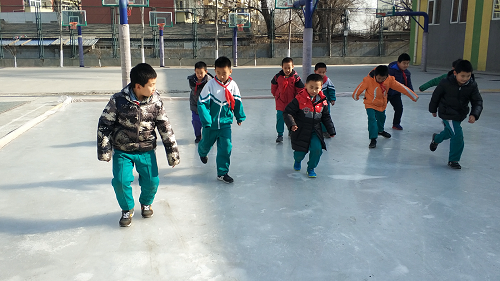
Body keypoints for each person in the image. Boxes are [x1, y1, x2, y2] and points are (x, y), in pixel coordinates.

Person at [97, 63, 180, 227]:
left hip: (146, 150)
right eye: (151, 85)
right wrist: (105, 151)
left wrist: (173, 154)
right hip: (123, 150)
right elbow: (105, 124)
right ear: (138, 86)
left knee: (152, 181)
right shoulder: (118, 101)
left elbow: (165, 128)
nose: (154, 88)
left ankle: (146, 202)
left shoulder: (156, 102)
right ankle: (127, 208)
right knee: (120, 181)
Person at [197, 56, 246, 183]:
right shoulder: (210, 85)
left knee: (226, 147)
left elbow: (237, 102)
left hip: (225, 124)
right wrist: (207, 120)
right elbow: (202, 103)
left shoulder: (233, 85)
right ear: (214, 71)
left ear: (230, 71)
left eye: (224, 73)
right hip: (211, 125)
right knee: (205, 144)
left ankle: (222, 173)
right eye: (218, 73)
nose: (221, 76)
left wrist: (239, 116)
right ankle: (202, 152)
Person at [428, 60, 483, 169]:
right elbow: (436, 96)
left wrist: (474, 114)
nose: (465, 78)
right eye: (462, 76)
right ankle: (453, 160)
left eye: (468, 76)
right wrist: (433, 109)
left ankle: (437, 139)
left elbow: (477, 101)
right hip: (447, 113)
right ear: (455, 73)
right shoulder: (445, 82)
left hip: (460, 114)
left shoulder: (472, 85)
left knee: (449, 132)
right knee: (457, 135)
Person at [352, 65, 419, 148]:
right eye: (379, 78)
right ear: (375, 75)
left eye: (383, 79)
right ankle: (373, 139)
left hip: (381, 104)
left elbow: (401, 87)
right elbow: (359, 88)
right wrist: (355, 96)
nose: (380, 80)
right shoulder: (368, 80)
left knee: (382, 118)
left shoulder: (389, 80)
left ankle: (380, 131)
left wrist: (413, 96)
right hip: (370, 104)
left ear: (386, 76)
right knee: (372, 119)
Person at [283, 74, 336, 178]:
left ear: (321, 87)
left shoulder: (322, 101)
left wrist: (331, 130)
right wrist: (292, 124)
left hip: (315, 130)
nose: (314, 90)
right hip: (300, 130)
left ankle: (311, 168)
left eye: (317, 88)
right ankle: (297, 160)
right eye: (311, 87)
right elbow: (287, 112)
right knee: (300, 153)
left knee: (317, 149)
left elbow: (326, 117)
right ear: (306, 85)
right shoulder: (299, 99)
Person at [271, 57, 305, 143]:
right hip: (280, 102)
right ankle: (280, 134)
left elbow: (301, 89)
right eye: (285, 68)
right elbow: (273, 86)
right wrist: (276, 95)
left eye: (289, 67)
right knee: (280, 117)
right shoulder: (277, 77)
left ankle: (291, 131)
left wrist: (298, 99)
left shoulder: (296, 78)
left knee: (291, 118)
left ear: (293, 66)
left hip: (291, 103)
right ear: (282, 67)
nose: (287, 70)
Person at [187, 61, 213, 143]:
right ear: (195, 71)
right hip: (195, 105)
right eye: (197, 72)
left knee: (207, 122)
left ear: (206, 72)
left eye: (201, 73)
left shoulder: (210, 82)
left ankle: (208, 137)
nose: (199, 75)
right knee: (196, 121)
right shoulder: (192, 80)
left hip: (207, 106)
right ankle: (198, 136)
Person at [387, 53, 414, 130]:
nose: (406, 65)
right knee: (381, 109)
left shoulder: (407, 73)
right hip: (385, 93)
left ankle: (396, 124)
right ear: (398, 63)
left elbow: (408, 84)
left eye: (407, 63)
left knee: (399, 108)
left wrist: (412, 95)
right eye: (404, 63)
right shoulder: (390, 70)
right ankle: (377, 124)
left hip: (396, 94)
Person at [314, 62, 336, 138]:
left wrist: (332, 99)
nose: (321, 74)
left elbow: (331, 89)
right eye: (319, 72)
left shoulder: (327, 81)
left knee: (325, 116)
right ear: (315, 71)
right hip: (315, 103)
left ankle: (325, 131)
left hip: (325, 103)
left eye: (323, 72)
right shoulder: (312, 80)